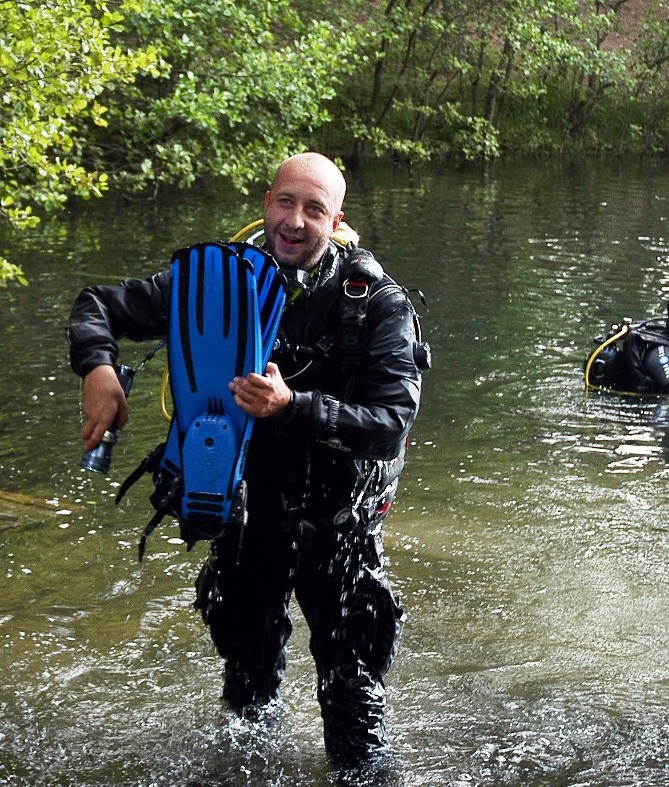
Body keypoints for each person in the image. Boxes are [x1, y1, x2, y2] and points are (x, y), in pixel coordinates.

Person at [68, 152, 429, 765]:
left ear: (336, 221)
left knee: (354, 714)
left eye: (313, 210)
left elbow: (391, 423)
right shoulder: (214, 282)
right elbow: (97, 305)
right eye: (285, 203)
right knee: (246, 700)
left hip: (338, 522)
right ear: (266, 204)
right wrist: (98, 369)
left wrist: (293, 406)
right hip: (251, 513)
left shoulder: (375, 304)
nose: (295, 221)